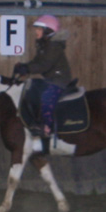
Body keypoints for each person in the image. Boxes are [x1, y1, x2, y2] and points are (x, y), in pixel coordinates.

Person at [11, 14, 73, 147]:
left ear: (47, 31)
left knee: (46, 97)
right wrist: (24, 66)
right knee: (31, 90)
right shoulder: (43, 45)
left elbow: (45, 65)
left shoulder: (53, 45)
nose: (36, 32)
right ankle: (35, 122)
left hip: (59, 79)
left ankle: (47, 127)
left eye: (39, 29)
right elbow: (36, 62)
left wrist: (27, 69)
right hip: (50, 79)